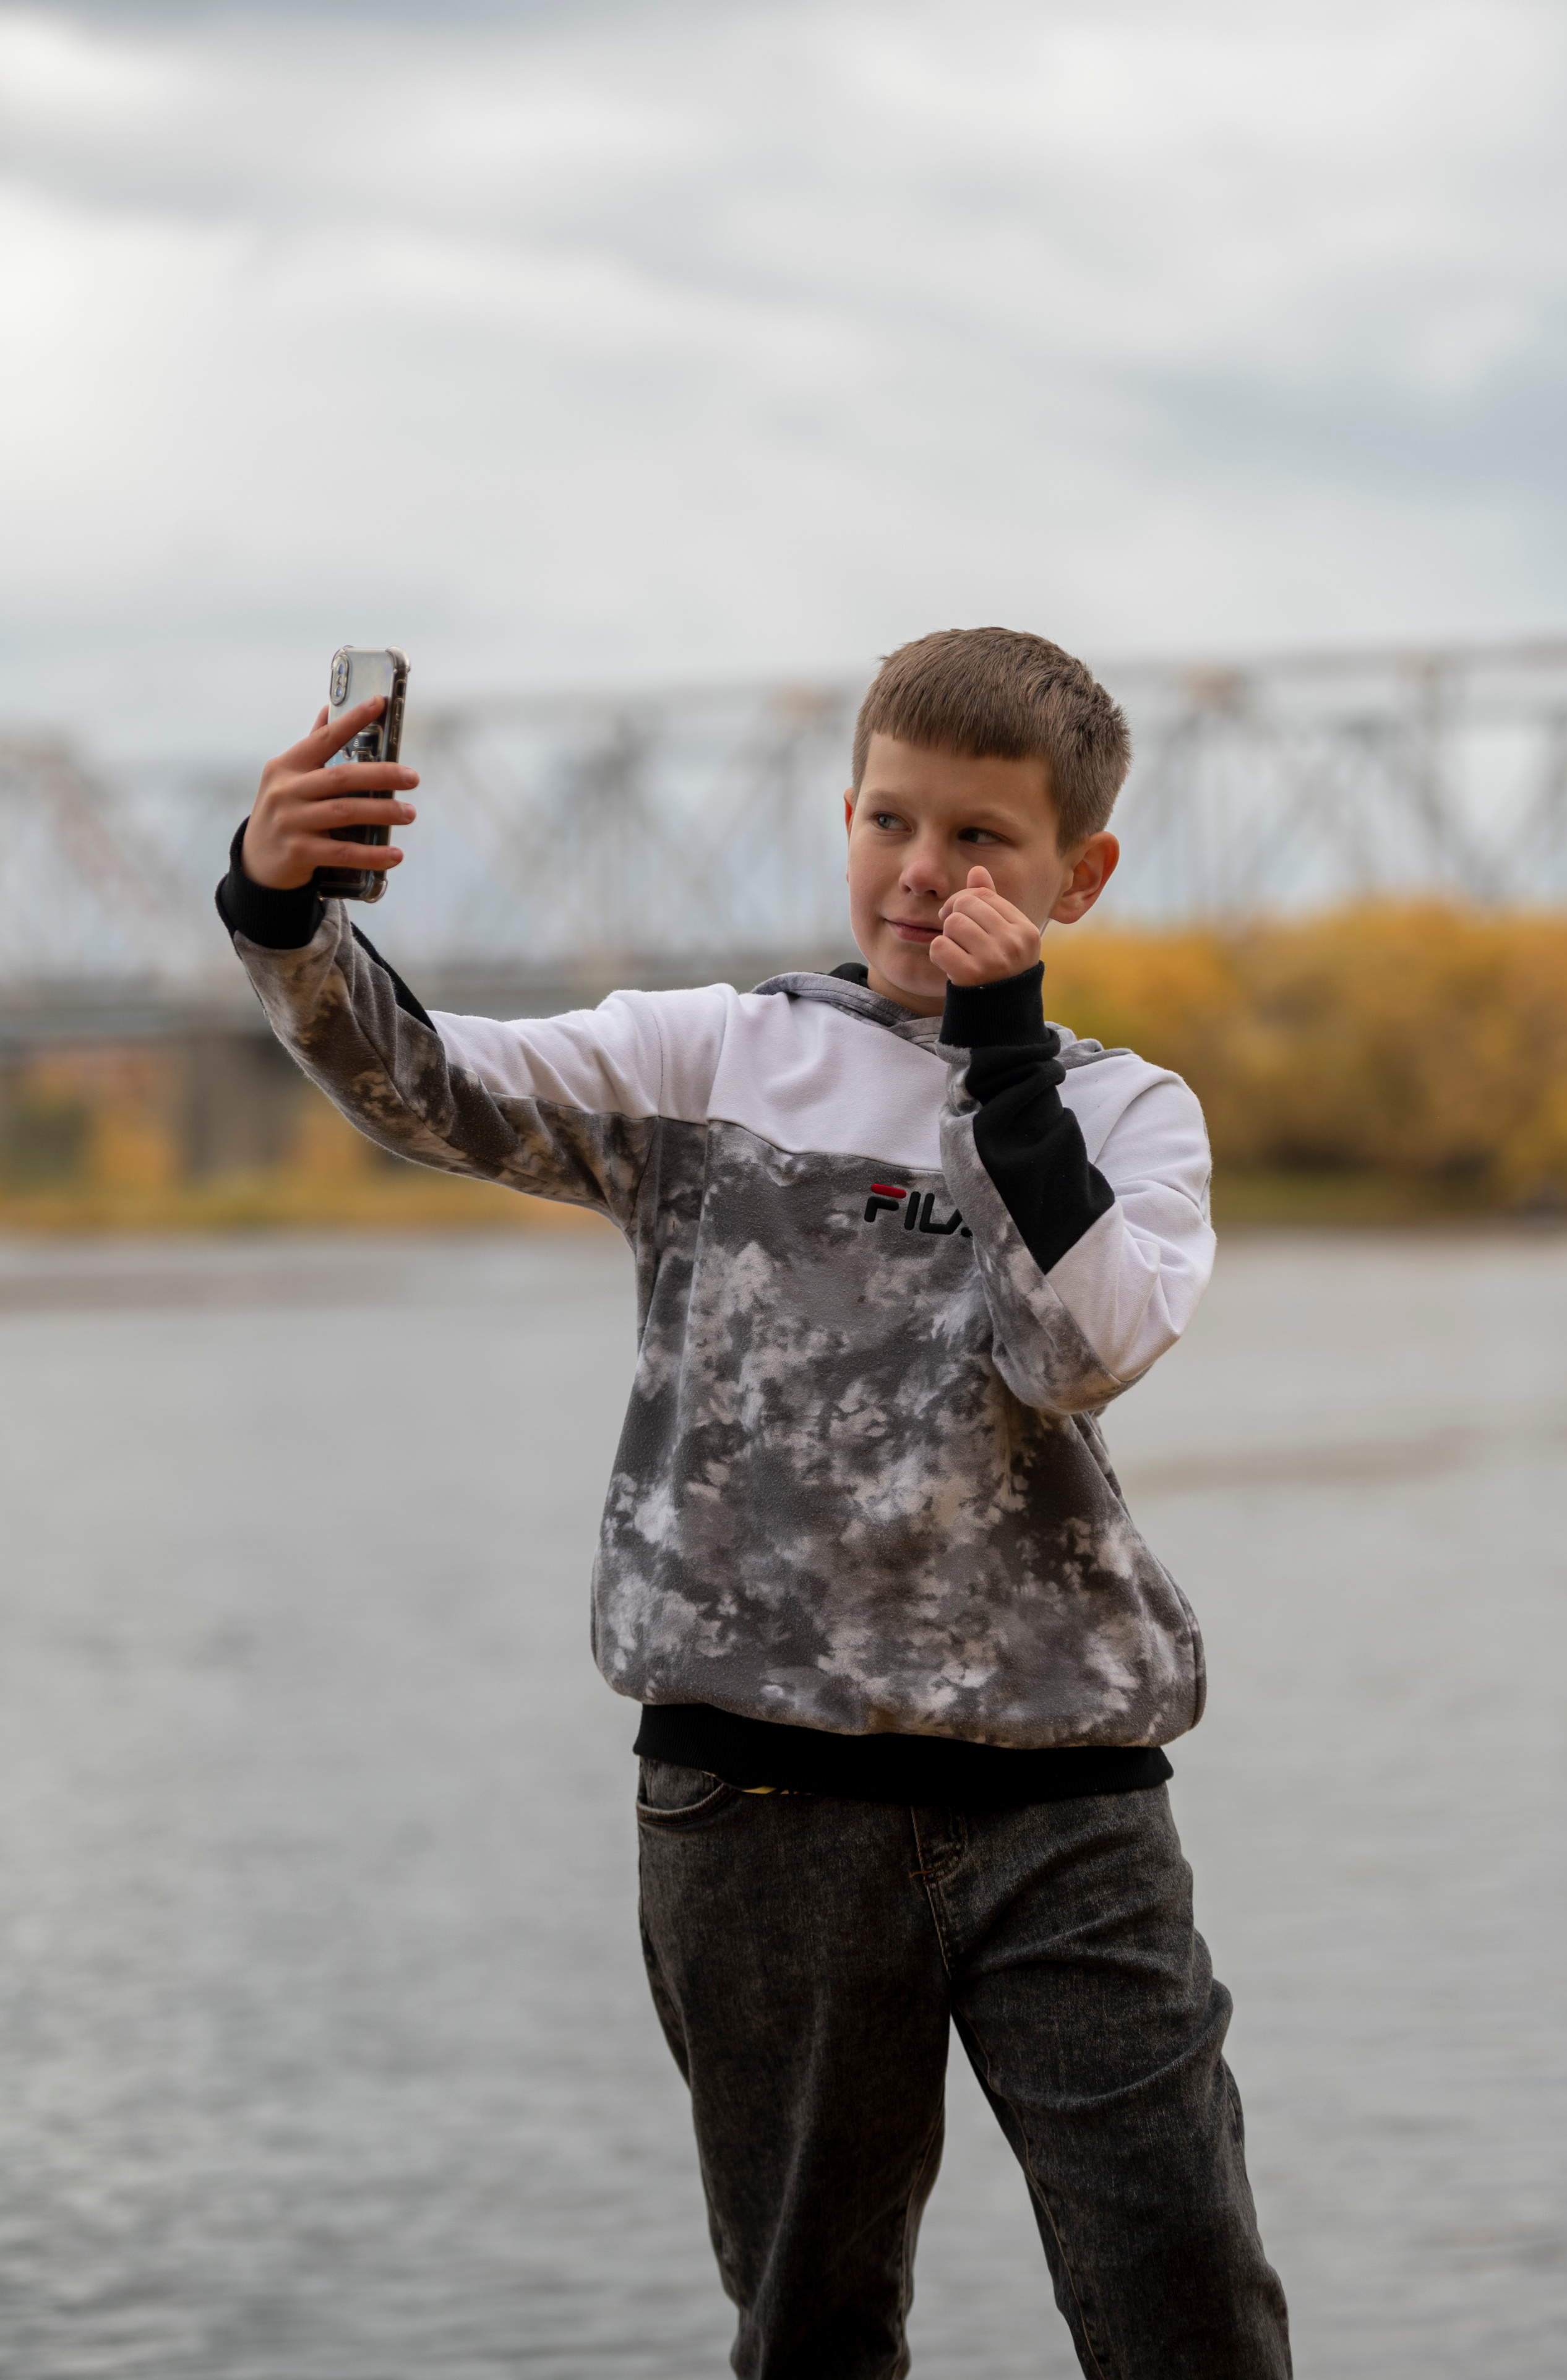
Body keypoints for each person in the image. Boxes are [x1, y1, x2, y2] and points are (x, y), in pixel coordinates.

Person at [217, 625, 1291, 2379]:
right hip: (757, 1810)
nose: (924, 872)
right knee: (813, 2327)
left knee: (1190, 2301)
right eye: (891, 822)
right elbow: (425, 1087)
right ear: (845, 816)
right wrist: (282, 912)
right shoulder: (710, 1055)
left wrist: (1007, 1065)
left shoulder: (1127, 1110)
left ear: (1077, 875)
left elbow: (1078, 1349)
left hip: (1066, 1809)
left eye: (981, 840)